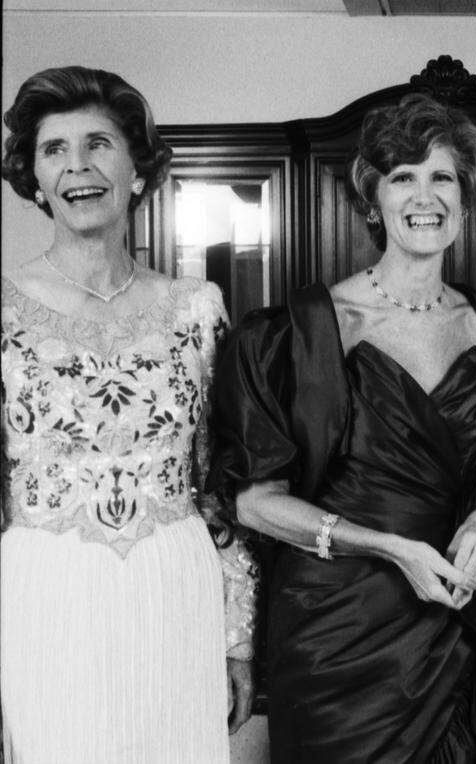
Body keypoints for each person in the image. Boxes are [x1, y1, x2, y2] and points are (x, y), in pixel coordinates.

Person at [209, 92, 476, 762]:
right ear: (373, 199)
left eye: (442, 176)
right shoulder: (293, 334)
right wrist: (392, 549)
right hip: (340, 639)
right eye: (403, 177)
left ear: (466, 194)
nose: (425, 196)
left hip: (465, 624)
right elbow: (253, 500)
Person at [0, 65, 256, 763]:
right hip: (45, 595)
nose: (77, 167)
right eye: (54, 150)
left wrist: (237, 637)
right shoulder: (3, 311)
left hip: (174, 590)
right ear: (34, 177)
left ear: (138, 170)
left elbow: (219, 485)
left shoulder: (197, 307)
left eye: (98, 145)